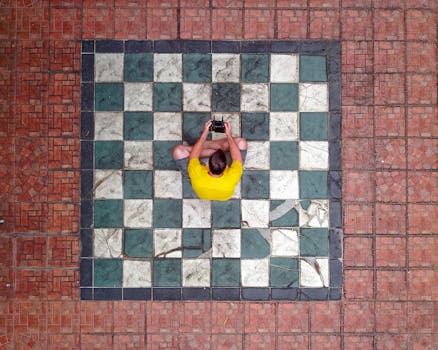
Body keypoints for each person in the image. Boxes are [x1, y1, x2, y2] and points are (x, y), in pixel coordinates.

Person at [172, 119, 247, 201]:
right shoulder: (233, 175)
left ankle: (209, 147)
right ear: (226, 167)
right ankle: (219, 148)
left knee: (178, 151)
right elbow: (237, 158)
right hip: (224, 197)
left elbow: (194, 155)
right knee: (241, 142)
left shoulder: (196, 173)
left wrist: (204, 133)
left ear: (206, 165)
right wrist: (229, 135)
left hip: (200, 185)